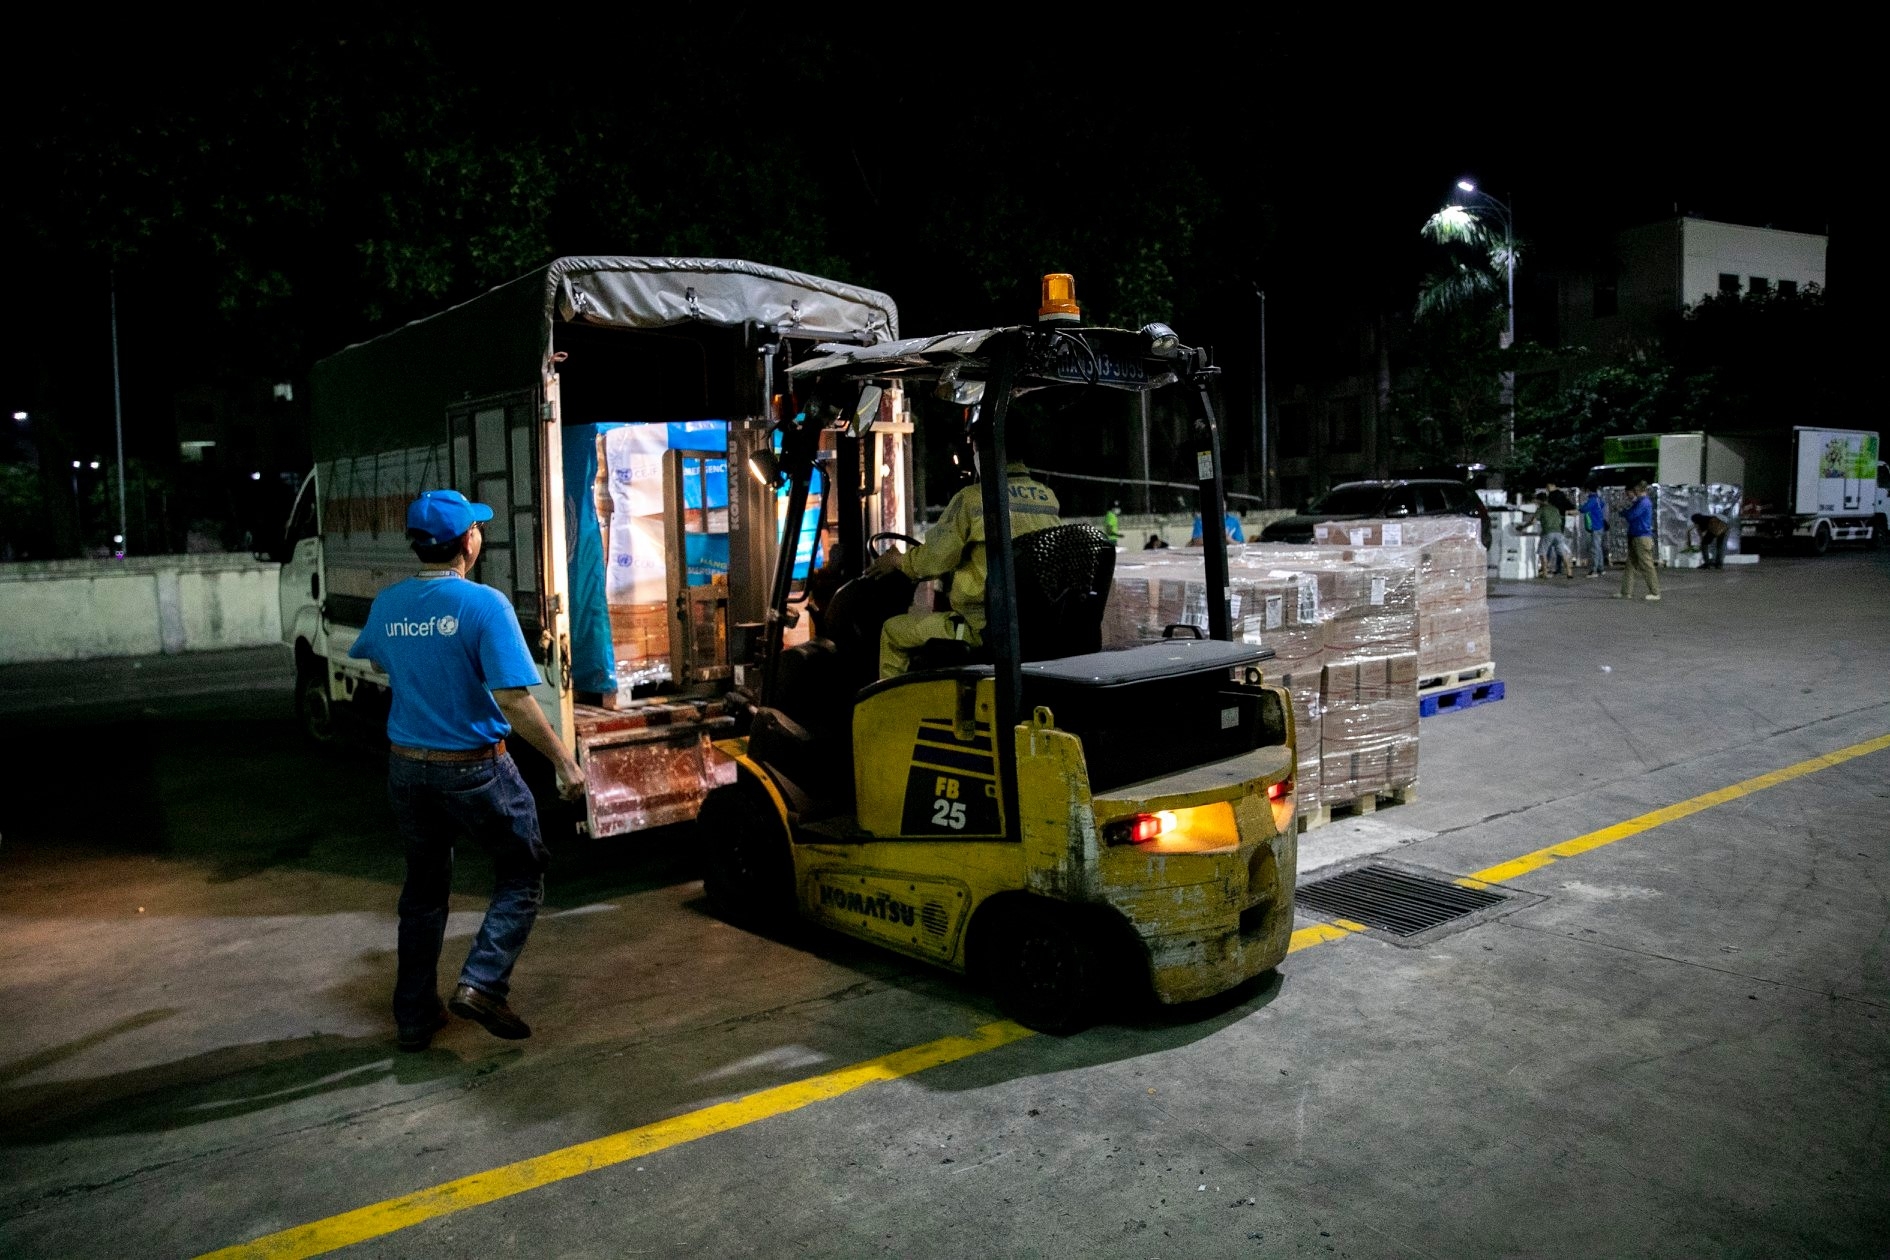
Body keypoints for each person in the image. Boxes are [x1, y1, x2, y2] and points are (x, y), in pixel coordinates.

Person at [349, 489, 585, 1051]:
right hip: (474, 769)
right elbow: (514, 700)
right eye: (476, 528)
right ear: (469, 541)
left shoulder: (387, 604)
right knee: (523, 872)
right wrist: (563, 761)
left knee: (424, 891)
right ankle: (481, 983)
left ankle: (413, 1017)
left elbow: (377, 655)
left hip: (407, 769)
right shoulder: (484, 606)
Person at [868, 461, 1061, 678]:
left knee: (893, 632)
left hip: (978, 627)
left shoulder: (972, 498)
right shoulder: (1047, 497)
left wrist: (899, 561)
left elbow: (934, 558)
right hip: (1031, 623)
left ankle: (892, 709)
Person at [1615, 481, 1661, 601]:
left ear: (1638, 489)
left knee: (1647, 565)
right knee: (1630, 565)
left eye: (1634, 489)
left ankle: (1655, 592)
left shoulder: (1644, 503)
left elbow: (1631, 515)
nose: (1632, 492)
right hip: (1636, 536)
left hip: (1642, 537)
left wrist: (1623, 511)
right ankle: (1625, 592)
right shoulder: (1640, 502)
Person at [1530, 490, 1572, 579]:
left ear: (1539, 500)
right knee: (1562, 553)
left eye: (1536, 501)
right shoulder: (1555, 509)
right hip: (1558, 533)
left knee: (1542, 552)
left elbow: (1533, 521)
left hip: (1548, 533)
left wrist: (1522, 527)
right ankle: (1569, 573)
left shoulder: (1541, 509)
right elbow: (1560, 521)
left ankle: (1544, 573)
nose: (1536, 503)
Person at [1580, 484, 1608, 576]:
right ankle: (1600, 569)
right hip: (1600, 526)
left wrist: (1579, 507)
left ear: (1588, 490)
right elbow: (1603, 505)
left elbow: (1583, 509)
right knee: (1598, 548)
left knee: (1595, 549)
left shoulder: (1592, 500)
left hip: (1595, 527)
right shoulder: (1598, 499)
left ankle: (1594, 570)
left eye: (1585, 491)